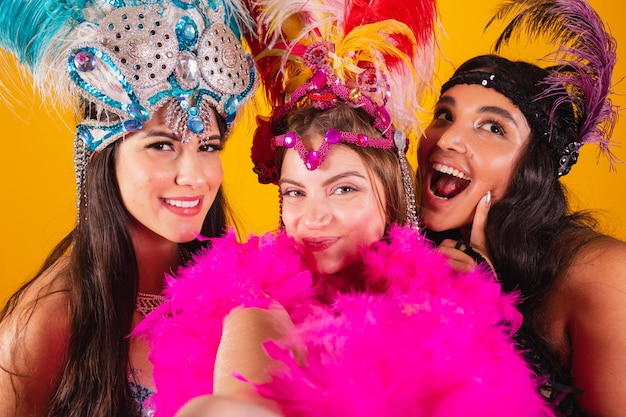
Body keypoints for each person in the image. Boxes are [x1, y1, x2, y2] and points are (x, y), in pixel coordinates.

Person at [139, 1, 551, 416]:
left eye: (343, 190)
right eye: (295, 193)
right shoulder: (253, 300)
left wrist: (477, 309)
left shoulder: (445, 297)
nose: (313, 218)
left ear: (392, 191)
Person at [0, 1, 257, 416]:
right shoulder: (53, 317)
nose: (193, 176)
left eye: (207, 146)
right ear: (103, 153)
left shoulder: (244, 292)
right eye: (161, 145)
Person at [416, 0, 626, 416]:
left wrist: (490, 325)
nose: (446, 139)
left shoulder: (605, 275)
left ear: (533, 167)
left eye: (492, 127)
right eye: (444, 115)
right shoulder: (410, 258)